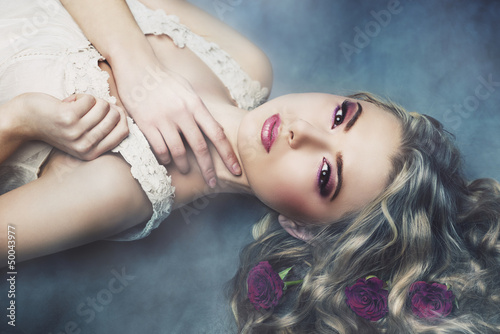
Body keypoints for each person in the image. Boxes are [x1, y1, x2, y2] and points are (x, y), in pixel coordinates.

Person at [0, 1, 498, 333]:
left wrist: (20, 121)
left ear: (300, 228)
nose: (300, 131)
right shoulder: (245, 64)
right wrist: (138, 69)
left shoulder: (119, 186)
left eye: (326, 175)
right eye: (341, 115)